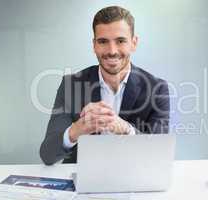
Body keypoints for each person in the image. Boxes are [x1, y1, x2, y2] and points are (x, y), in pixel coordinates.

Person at [39, 6, 170, 165]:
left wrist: (126, 130)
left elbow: (160, 154)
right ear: (94, 45)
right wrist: (76, 130)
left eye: (120, 41)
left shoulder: (157, 88)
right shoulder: (71, 85)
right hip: (81, 182)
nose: (112, 51)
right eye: (103, 41)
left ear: (134, 43)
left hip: (133, 179)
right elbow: (47, 155)